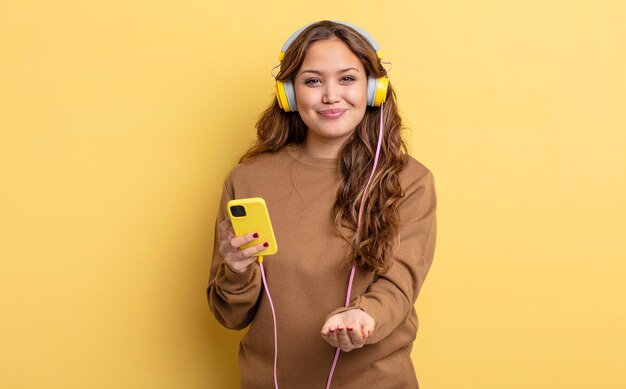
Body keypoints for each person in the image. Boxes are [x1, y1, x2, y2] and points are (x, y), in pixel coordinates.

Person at [207, 20, 437, 389]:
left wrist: (364, 316)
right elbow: (231, 316)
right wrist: (235, 270)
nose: (331, 95)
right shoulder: (248, 180)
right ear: (290, 95)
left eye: (347, 79)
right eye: (313, 81)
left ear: (374, 89)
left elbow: (399, 284)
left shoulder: (410, 180)